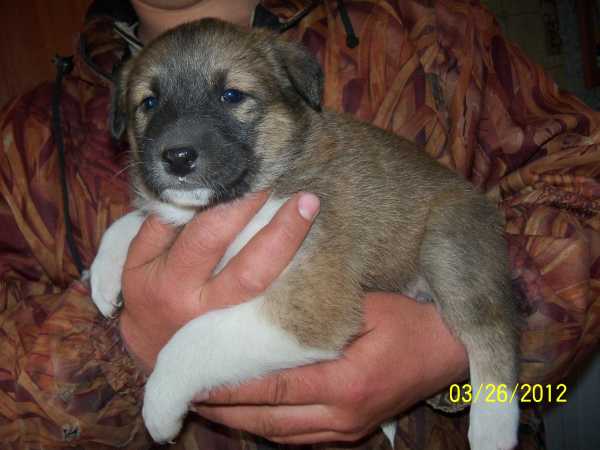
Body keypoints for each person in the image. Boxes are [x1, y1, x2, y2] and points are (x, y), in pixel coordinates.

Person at [0, 1, 597, 449]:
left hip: (433, 284)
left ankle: (495, 386)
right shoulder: (28, 135)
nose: (177, 142)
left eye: (231, 97)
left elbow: (580, 174)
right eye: (150, 105)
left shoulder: (430, 31)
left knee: (459, 258)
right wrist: (122, 346)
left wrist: (443, 353)